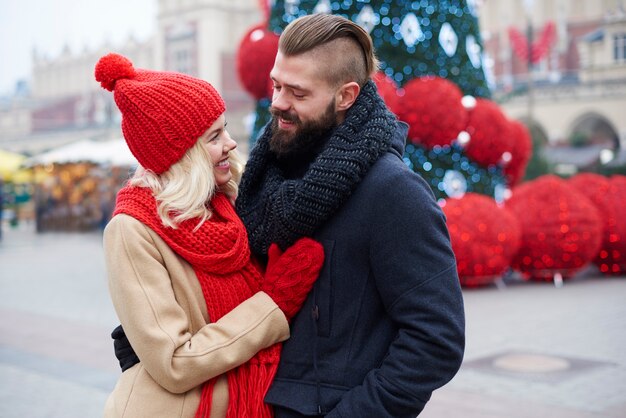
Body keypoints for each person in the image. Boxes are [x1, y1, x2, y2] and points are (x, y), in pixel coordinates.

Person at [115, 13, 465, 417]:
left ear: (346, 96)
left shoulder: (393, 193)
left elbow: (436, 340)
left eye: (297, 93)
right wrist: (144, 330)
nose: (278, 101)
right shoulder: (263, 175)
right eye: (277, 85)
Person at [95, 52, 324, 418]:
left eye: (226, 128)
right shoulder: (131, 230)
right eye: (214, 136)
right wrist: (272, 305)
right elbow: (174, 363)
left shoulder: (231, 201)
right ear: (183, 154)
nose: (230, 143)